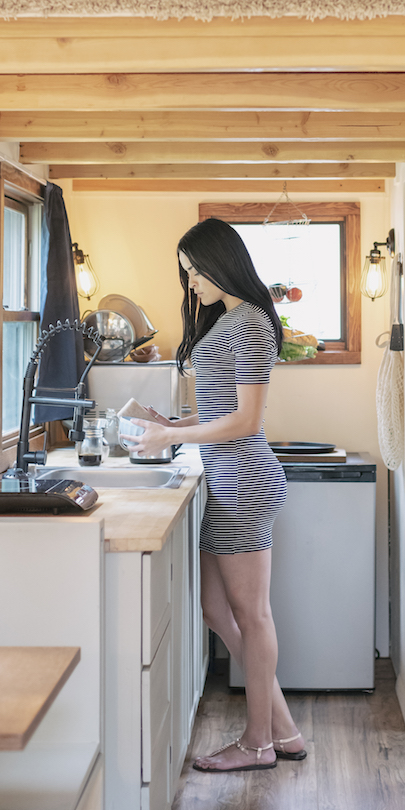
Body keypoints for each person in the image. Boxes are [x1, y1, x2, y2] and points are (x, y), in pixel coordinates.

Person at [127, 217, 306, 773]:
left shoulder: (249, 322)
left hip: (243, 481)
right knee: (214, 608)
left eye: (194, 271)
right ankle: (283, 728)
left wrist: (174, 436)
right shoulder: (227, 321)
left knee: (252, 616)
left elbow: (248, 420)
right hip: (221, 479)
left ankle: (258, 744)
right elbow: (219, 410)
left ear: (218, 263)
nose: (191, 283)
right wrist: (172, 421)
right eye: (187, 274)